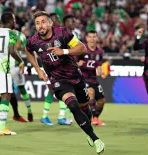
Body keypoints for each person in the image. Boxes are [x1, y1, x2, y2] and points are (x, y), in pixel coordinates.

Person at [26, 11, 105, 154]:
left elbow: (82, 48)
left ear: (50, 23)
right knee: (73, 106)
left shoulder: (62, 33)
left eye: (43, 22)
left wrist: (64, 51)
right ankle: (95, 139)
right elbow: (28, 51)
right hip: (57, 80)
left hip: (75, 76)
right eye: (37, 23)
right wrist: (38, 69)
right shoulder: (33, 41)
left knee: (84, 107)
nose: (40, 26)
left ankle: (88, 130)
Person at [40, 12, 71, 125]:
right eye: (56, 18)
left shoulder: (57, 34)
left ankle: (54, 116)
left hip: (57, 68)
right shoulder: (46, 37)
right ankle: (59, 117)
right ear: (51, 21)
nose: (59, 20)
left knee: (56, 90)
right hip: (51, 69)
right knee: (59, 90)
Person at [77, 30, 106, 126]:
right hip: (83, 79)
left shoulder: (100, 52)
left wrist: (101, 71)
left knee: (102, 101)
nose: (92, 39)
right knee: (91, 92)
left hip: (93, 79)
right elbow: (73, 63)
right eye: (90, 37)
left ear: (97, 38)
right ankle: (93, 119)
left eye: (94, 37)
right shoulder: (81, 49)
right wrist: (78, 64)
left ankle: (96, 118)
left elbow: (99, 66)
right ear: (86, 38)